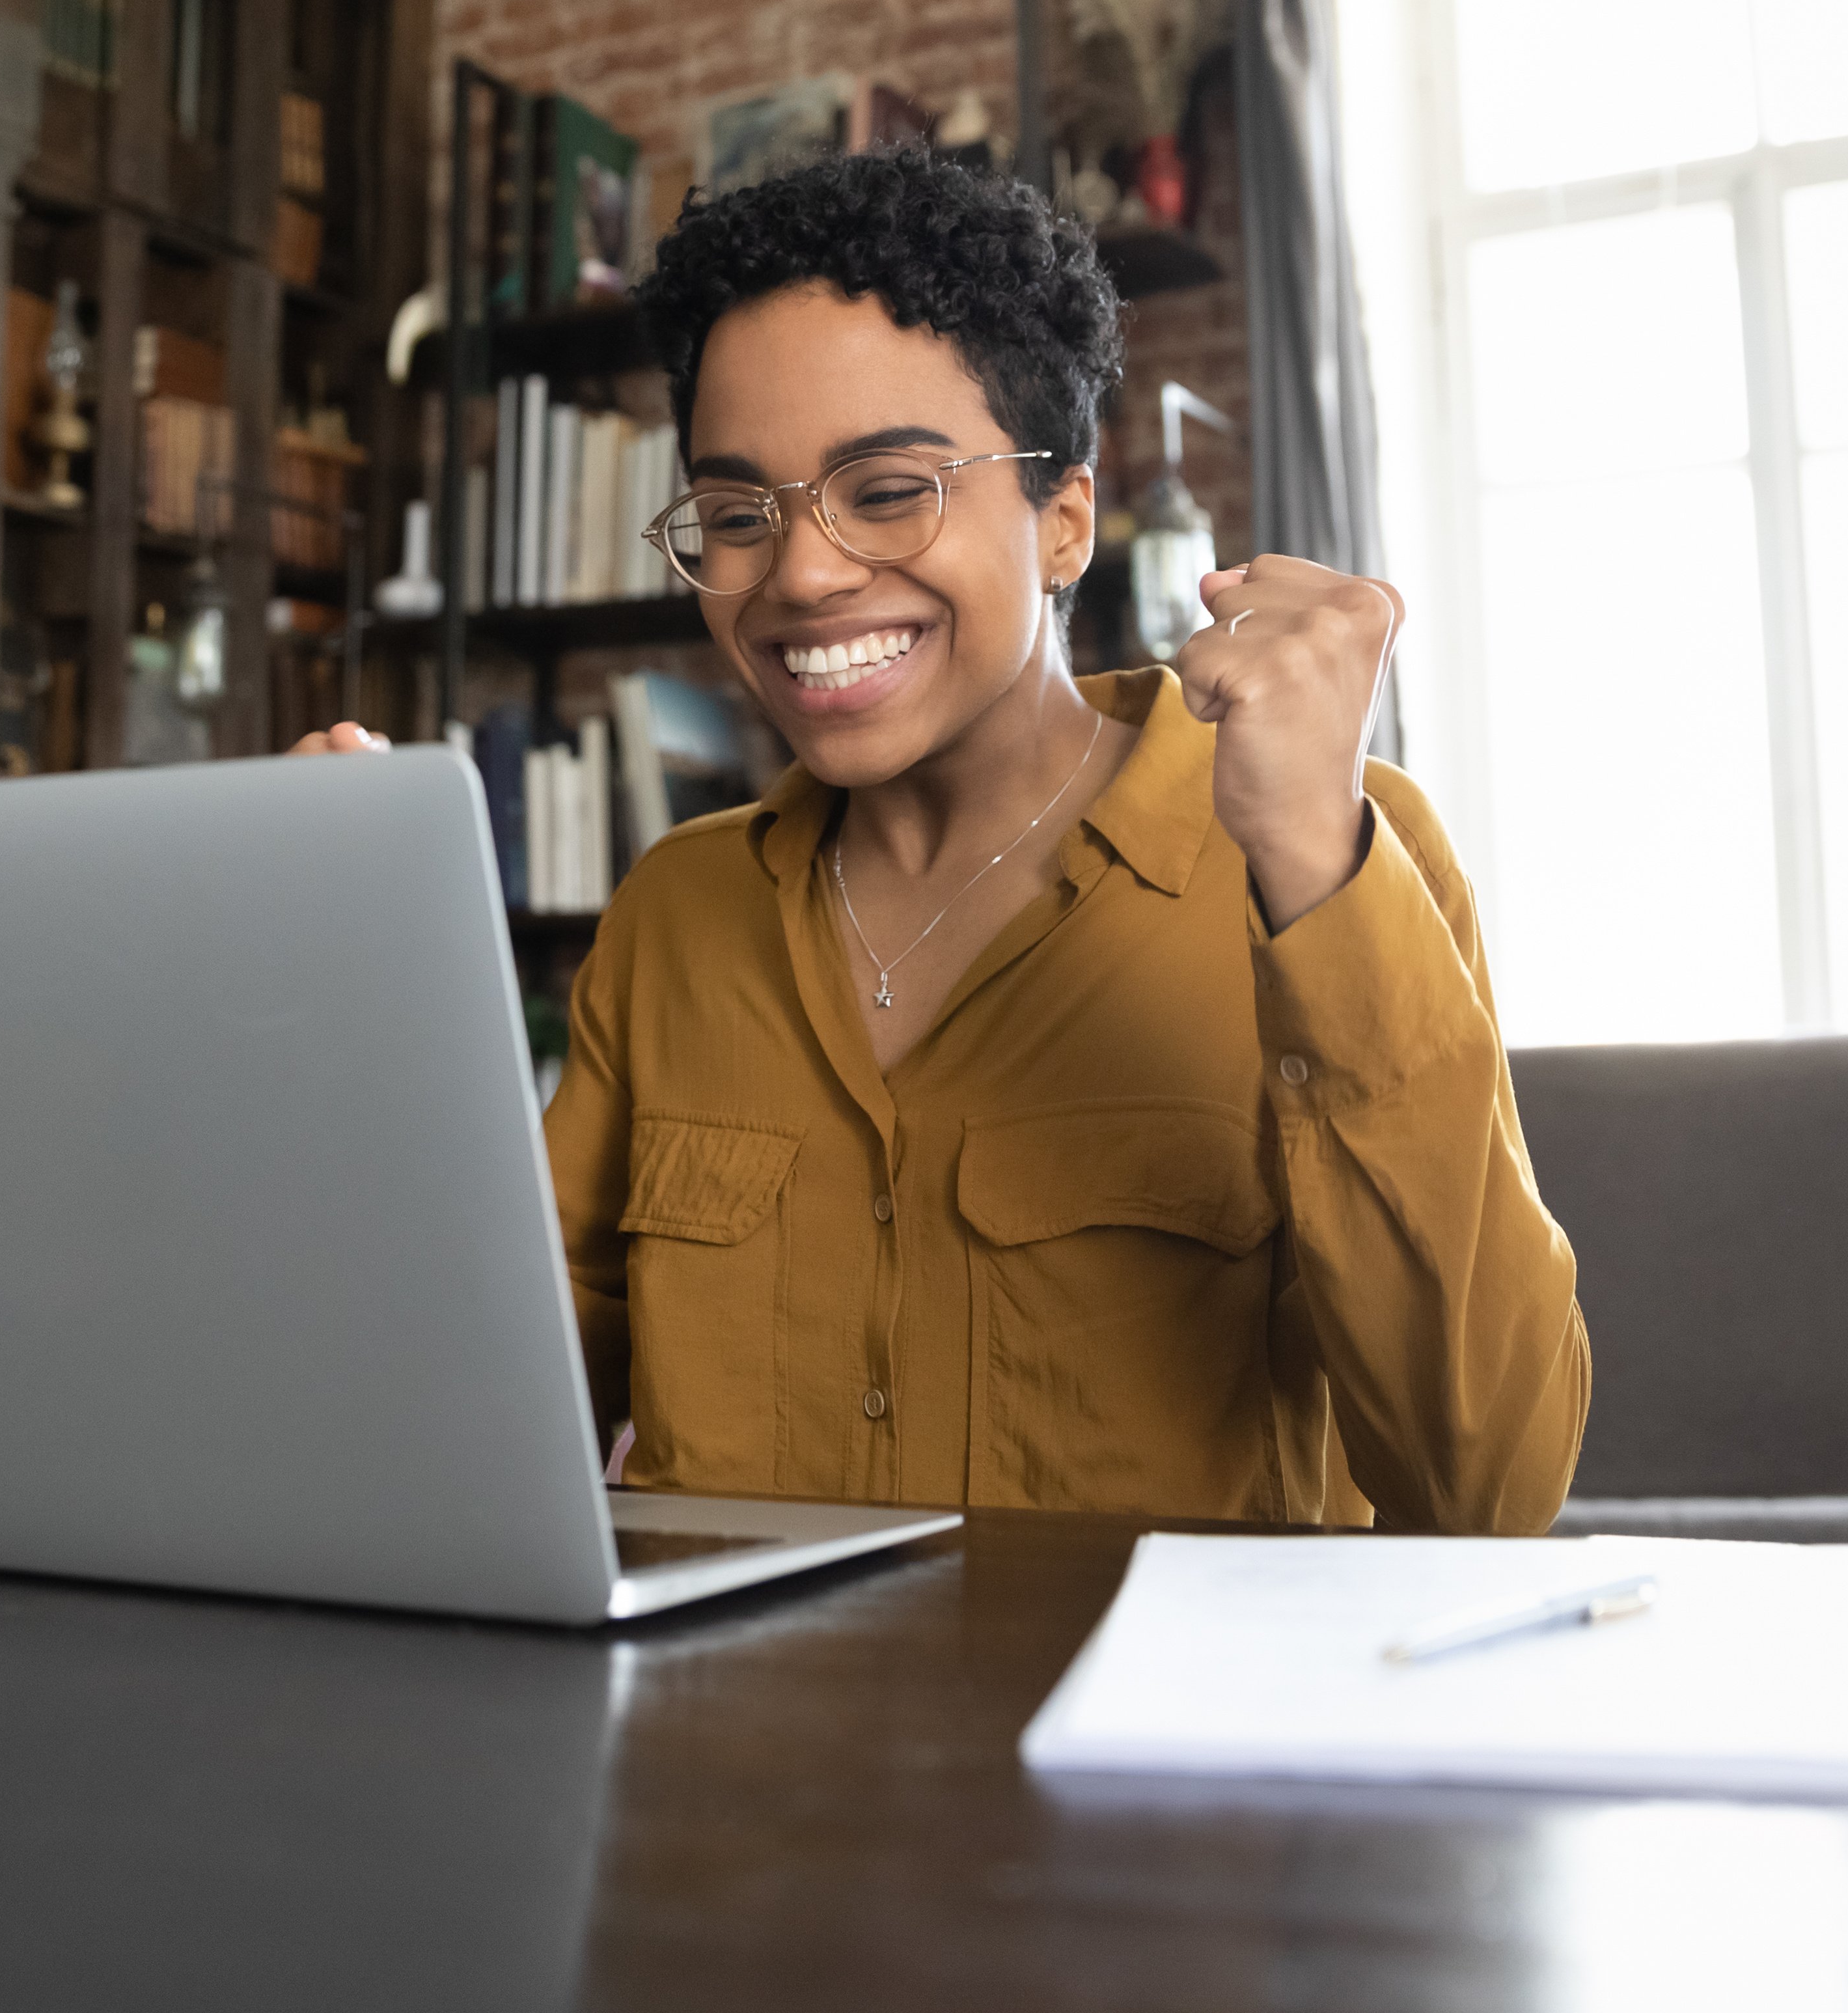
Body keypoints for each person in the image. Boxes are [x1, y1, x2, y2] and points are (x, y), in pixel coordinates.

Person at [298, 148, 1586, 1528]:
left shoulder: (1331, 856)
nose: (799, 574)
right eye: (738, 513)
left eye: (890, 487)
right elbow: (471, 1447)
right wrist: (385, 1048)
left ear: (1064, 519)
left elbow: (1486, 1486)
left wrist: (1310, 864)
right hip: (720, 1743)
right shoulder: (680, 909)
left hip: (1133, 1745)